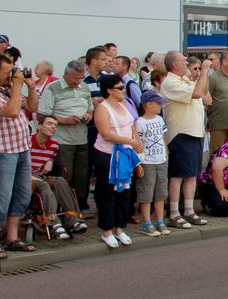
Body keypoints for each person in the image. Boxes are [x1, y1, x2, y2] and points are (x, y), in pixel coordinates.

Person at [0, 54, 38, 258]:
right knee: (0, 196)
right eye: (6, 73)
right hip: (1, 152)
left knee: (22, 195)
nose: (10, 76)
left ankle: (12, 238)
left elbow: (33, 107)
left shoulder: (10, 89)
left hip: (21, 148)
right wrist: (18, 87)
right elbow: (12, 111)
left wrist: (29, 86)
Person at [92, 73, 143, 248]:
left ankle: (120, 228)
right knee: (108, 193)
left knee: (124, 193)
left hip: (125, 155)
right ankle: (107, 231)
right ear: (109, 90)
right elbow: (106, 134)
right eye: (120, 88)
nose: (123, 91)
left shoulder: (124, 105)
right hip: (108, 155)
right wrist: (131, 142)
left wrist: (136, 141)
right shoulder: (102, 108)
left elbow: (132, 125)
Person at [160, 50, 210, 228]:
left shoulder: (185, 80)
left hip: (195, 133)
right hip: (181, 134)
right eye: (183, 60)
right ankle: (173, 213)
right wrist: (203, 71)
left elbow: (206, 97)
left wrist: (200, 76)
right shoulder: (170, 82)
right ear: (175, 65)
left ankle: (189, 210)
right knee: (178, 175)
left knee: (191, 175)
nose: (187, 62)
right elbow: (197, 94)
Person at [38, 60, 93, 213]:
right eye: (75, 78)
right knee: (65, 174)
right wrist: (63, 120)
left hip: (81, 138)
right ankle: (63, 208)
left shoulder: (84, 88)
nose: (78, 81)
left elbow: (90, 108)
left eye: (81, 77)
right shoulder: (53, 88)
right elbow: (42, 115)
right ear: (66, 74)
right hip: (62, 140)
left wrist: (88, 115)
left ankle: (79, 206)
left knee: (82, 175)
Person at [29, 117, 85, 239]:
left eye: (55, 125)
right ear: (39, 127)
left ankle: (73, 218)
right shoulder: (27, 142)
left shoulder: (54, 145)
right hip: (26, 177)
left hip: (41, 176)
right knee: (44, 185)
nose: (54, 127)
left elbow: (56, 164)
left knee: (60, 180)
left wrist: (50, 160)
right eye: (49, 123)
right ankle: (54, 223)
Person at [135, 90, 170, 237]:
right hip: (147, 161)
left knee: (160, 193)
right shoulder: (140, 122)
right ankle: (147, 223)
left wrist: (166, 154)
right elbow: (138, 144)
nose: (160, 106)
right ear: (148, 104)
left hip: (161, 160)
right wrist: (139, 164)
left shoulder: (159, 120)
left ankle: (160, 221)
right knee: (146, 193)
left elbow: (163, 138)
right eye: (158, 103)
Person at [207, 52, 228, 154]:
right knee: (217, 153)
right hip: (219, 124)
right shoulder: (213, 78)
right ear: (224, 62)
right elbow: (207, 99)